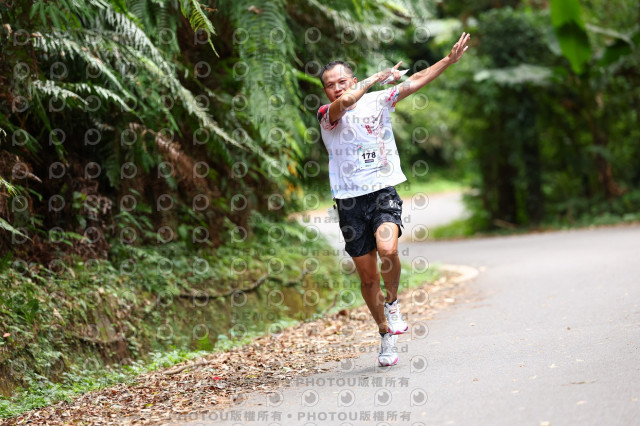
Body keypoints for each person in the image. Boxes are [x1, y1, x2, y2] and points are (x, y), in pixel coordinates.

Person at [316, 32, 471, 366]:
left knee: (388, 250)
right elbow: (346, 103)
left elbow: (416, 80)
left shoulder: (379, 100)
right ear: (326, 91)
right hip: (349, 201)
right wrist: (376, 76)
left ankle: (394, 303)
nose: (337, 88)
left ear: (352, 79)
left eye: (342, 81)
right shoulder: (327, 114)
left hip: (382, 190)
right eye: (330, 85)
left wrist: (448, 59)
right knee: (368, 278)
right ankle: (385, 333)